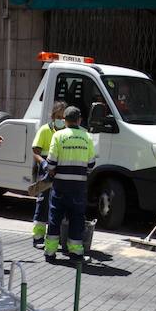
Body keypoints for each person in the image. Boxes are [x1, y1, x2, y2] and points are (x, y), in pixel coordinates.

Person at [42, 105, 96, 260]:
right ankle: (75, 251)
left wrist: (50, 169)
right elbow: (91, 165)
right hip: (78, 187)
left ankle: (50, 252)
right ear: (79, 120)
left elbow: (51, 163)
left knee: (55, 218)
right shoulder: (87, 137)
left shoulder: (58, 136)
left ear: (64, 120)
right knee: (77, 218)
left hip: (60, 186)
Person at [30, 100, 66, 247]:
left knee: (57, 205)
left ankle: (53, 238)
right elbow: (35, 152)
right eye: (58, 117)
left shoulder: (66, 132)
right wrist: (44, 163)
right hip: (45, 170)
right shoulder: (45, 130)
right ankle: (38, 237)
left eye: (63, 117)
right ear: (53, 116)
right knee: (43, 203)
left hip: (60, 169)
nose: (61, 120)